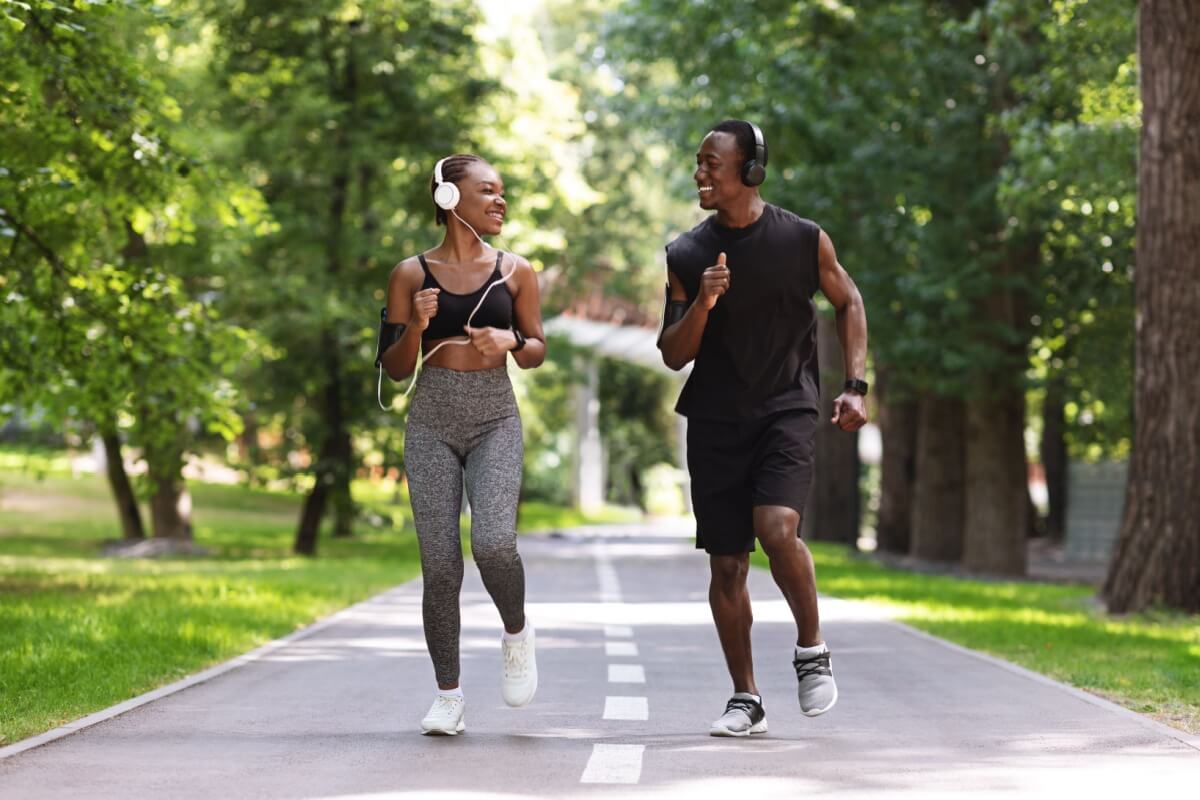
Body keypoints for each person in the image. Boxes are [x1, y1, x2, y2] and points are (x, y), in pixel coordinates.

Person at [658, 120, 868, 737]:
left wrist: (855, 387)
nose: (700, 173)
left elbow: (848, 301)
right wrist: (702, 302)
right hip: (715, 417)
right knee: (727, 565)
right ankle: (746, 697)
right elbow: (673, 353)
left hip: (786, 405)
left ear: (750, 170)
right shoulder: (685, 254)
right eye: (697, 163)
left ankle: (811, 649)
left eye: (711, 163)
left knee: (776, 528)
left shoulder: (803, 239)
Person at [378, 153, 546, 735]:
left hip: (495, 416)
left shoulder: (516, 271)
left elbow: (538, 348)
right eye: (488, 191)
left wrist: (512, 339)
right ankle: (448, 695)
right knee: (440, 565)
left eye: (503, 192)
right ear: (449, 198)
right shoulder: (409, 274)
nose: (500, 201)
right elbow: (396, 370)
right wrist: (418, 328)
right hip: (431, 421)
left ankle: (517, 632)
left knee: (495, 544)